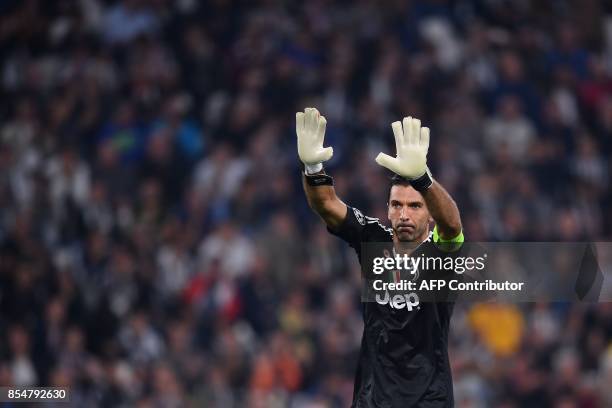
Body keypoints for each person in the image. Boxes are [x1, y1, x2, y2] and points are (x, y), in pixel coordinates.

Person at [298, 107, 464, 407]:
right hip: (373, 400)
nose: (404, 214)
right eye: (396, 205)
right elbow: (327, 205)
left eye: (415, 206)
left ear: (429, 215)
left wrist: (424, 180)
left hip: (428, 400)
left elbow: (452, 226)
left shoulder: (441, 254)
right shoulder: (373, 240)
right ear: (387, 209)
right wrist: (312, 168)